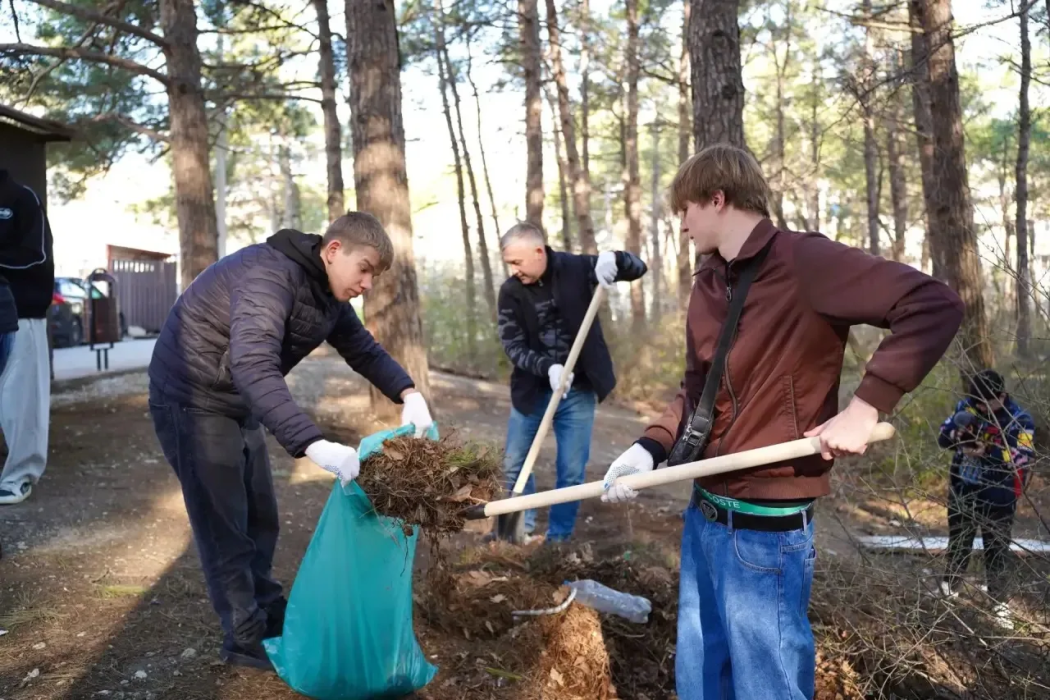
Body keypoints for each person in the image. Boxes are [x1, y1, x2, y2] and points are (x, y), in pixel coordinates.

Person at [600, 144, 964, 700]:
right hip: (705, 516)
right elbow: (697, 390)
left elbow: (933, 303)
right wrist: (646, 449)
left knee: (766, 687)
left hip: (765, 534)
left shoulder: (805, 262)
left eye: (686, 210)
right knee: (701, 680)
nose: (681, 225)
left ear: (717, 199)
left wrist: (866, 408)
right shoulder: (709, 283)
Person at [147, 211, 434, 670]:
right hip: (191, 399)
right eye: (364, 269)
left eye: (374, 276)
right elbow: (253, 365)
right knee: (224, 524)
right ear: (334, 250)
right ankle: (243, 634)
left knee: (261, 515)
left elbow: (361, 349)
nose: (367, 284)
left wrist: (408, 392)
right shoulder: (269, 278)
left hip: (237, 399)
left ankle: (265, 609)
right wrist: (312, 443)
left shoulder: (326, 294)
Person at [495, 222, 646, 543]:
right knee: (513, 465)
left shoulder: (576, 268)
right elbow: (512, 345)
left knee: (572, 473)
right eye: (509, 263)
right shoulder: (511, 292)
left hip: (578, 394)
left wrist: (615, 259)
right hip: (531, 392)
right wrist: (548, 367)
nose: (513, 269)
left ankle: (557, 541)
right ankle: (519, 533)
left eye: (517, 262)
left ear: (538, 252)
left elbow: (638, 267)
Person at [937, 369, 1033, 629]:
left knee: (997, 549)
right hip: (963, 489)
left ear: (1002, 396)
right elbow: (943, 437)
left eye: (984, 402)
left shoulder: (1020, 420)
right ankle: (949, 590)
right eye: (975, 401)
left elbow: (1023, 457)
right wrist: (959, 440)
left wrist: (988, 450)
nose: (978, 407)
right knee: (958, 540)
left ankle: (999, 603)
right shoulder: (965, 407)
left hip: (999, 495)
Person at [0, 169, 54, 506]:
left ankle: (20, 475)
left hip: (21, 313)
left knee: (21, 400)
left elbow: (37, 255)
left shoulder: (20, 198)